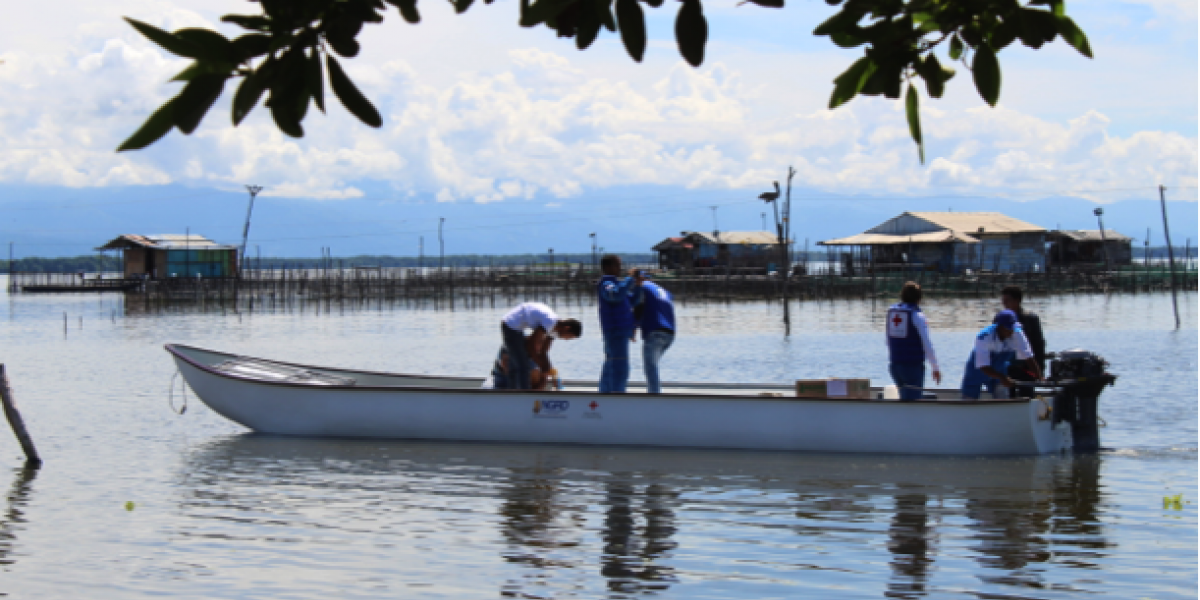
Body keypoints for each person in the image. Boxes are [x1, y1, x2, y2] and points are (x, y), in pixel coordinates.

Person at [960, 310, 1042, 400]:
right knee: (969, 399)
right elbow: (983, 366)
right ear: (1000, 327)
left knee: (1002, 397)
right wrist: (1002, 377)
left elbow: (1029, 357)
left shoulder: (1018, 333)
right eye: (1008, 328)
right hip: (978, 369)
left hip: (999, 368)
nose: (1011, 331)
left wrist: (1038, 376)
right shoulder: (984, 337)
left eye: (1012, 328)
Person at [499, 302, 582, 390]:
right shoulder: (550, 322)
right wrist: (542, 366)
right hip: (510, 323)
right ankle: (522, 395)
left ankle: (517, 391)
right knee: (523, 366)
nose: (566, 340)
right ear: (567, 328)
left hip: (519, 327)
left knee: (521, 364)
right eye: (569, 337)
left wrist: (548, 369)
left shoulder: (554, 330)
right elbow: (531, 346)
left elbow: (543, 352)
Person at [885, 282, 941, 401]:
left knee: (904, 401)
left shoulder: (892, 313)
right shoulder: (917, 315)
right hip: (912, 367)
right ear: (919, 298)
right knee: (913, 404)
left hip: (894, 365)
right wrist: (935, 367)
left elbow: (888, 341)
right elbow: (927, 343)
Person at [596, 255, 642, 393]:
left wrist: (638, 286)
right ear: (608, 268)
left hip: (620, 332)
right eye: (617, 265)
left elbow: (632, 301)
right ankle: (617, 397)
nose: (620, 268)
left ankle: (604, 395)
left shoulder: (617, 284)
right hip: (615, 332)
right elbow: (614, 296)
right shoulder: (607, 284)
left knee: (611, 366)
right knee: (619, 369)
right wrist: (629, 279)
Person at [633, 273, 676, 394]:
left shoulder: (642, 287)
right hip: (670, 334)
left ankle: (654, 399)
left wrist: (633, 327)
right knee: (653, 366)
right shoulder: (662, 290)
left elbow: (639, 306)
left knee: (650, 368)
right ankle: (655, 393)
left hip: (655, 332)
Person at [1001, 286, 1046, 394]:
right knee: (1007, 395)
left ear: (1017, 300)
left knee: (1027, 394)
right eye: (1003, 301)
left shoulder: (1030, 318)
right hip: (1007, 368)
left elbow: (1038, 344)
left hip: (1026, 367)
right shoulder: (1000, 319)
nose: (1004, 304)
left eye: (1008, 301)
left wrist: (1040, 368)